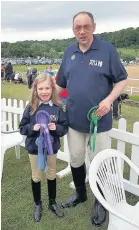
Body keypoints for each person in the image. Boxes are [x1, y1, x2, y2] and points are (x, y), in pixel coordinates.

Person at [56, 11, 127, 227]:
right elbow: (60, 84)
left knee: (99, 163)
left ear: (94, 27)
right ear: (73, 30)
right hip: (74, 121)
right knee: (76, 159)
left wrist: (108, 101)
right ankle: (80, 194)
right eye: (78, 27)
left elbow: (122, 80)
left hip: (99, 122)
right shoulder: (69, 52)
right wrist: (43, 98)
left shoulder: (107, 50)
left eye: (86, 26)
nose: (82, 31)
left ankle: (101, 201)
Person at [19, 73, 68, 222]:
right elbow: (22, 128)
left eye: (47, 88)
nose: (44, 91)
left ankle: (52, 202)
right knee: (36, 175)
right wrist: (33, 127)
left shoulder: (58, 108)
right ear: (36, 90)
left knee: (51, 174)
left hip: (51, 148)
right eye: (41, 88)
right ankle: (37, 203)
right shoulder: (31, 108)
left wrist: (56, 128)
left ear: (52, 89)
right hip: (34, 149)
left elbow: (64, 128)